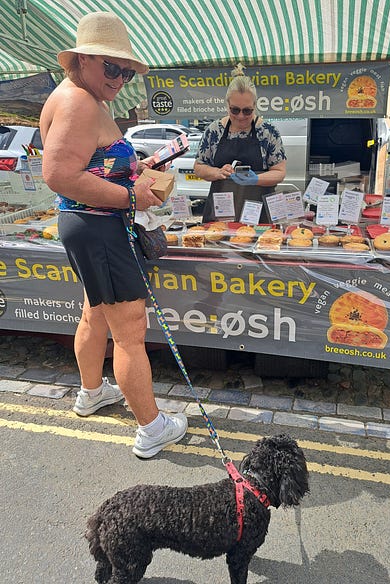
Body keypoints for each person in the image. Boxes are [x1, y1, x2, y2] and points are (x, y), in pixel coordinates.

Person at [39, 11, 187, 459]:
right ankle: (151, 427)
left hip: (88, 228)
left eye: (125, 70)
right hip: (100, 228)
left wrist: (135, 169)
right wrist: (132, 197)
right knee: (129, 332)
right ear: (82, 60)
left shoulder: (80, 97)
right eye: (111, 67)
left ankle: (91, 393)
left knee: (95, 314)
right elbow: (59, 174)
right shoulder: (79, 102)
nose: (120, 78)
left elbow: (89, 164)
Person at [194, 64, 287, 224]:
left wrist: (256, 179)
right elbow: (199, 167)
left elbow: (279, 172)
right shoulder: (214, 130)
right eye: (235, 110)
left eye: (247, 110)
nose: (241, 116)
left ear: (255, 106)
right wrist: (217, 173)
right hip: (220, 214)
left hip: (259, 214)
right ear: (227, 105)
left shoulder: (268, 132)